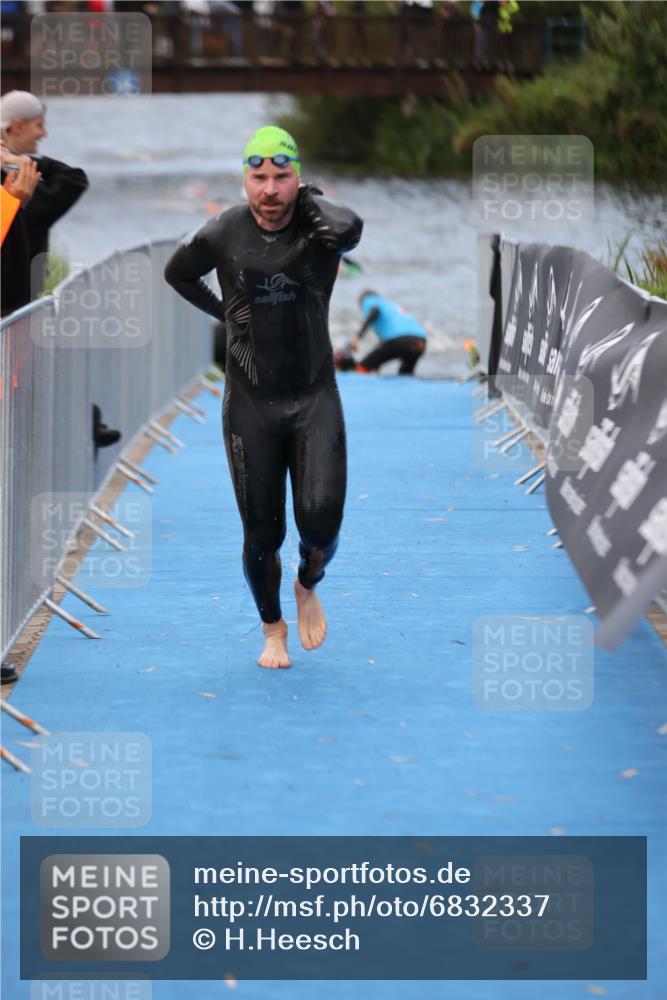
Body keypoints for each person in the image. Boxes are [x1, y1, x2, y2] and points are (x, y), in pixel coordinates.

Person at [164, 126, 362, 669]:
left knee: (322, 522)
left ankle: (307, 582)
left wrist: (314, 198)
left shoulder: (319, 227)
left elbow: (352, 229)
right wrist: (223, 313)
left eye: (281, 176)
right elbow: (176, 272)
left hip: (314, 394)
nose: (269, 190)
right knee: (262, 531)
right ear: (244, 180)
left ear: (297, 177)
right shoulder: (225, 231)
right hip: (250, 401)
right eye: (259, 178)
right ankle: (273, 628)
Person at [0, 90, 89, 300]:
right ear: (19, 126)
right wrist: (22, 162)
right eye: (39, 125)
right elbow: (74, 179)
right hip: (13, 305)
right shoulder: (15, 186)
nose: (44, 134)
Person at [336, 290, 427, 375]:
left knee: (362, 367)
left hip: (400, 339)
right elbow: (383, 348)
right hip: (420, 341)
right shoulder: (389, 304)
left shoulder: (369, 300)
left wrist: (358, 338)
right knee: (405, 376)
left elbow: (375, 311)